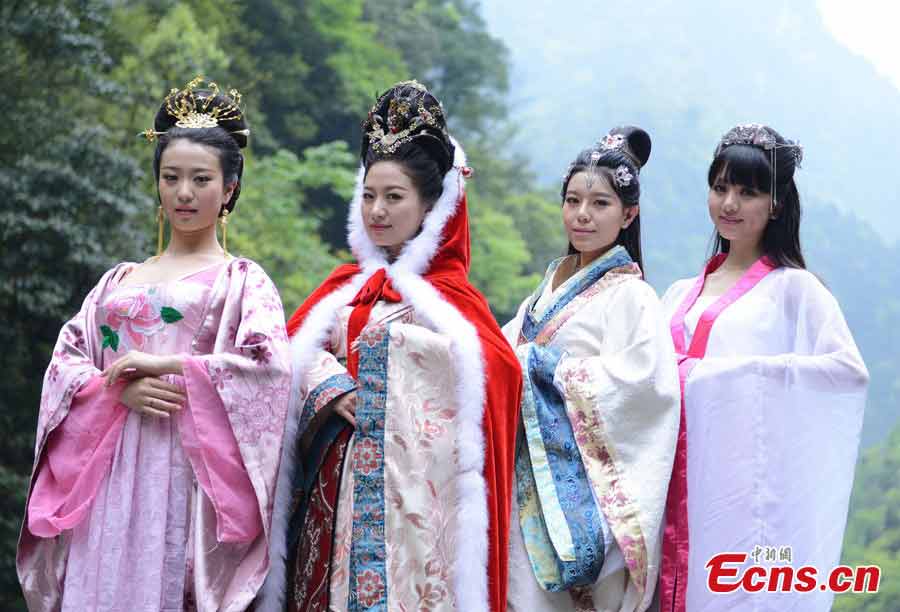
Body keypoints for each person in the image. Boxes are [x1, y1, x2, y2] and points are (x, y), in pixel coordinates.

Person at [17, 77, 291, 612]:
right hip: (105, 472)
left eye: (200, 179)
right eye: (171, 178)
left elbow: (269, 369)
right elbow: (64, 364)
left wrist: (168, 366)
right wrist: (114, 392)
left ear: (229, 187)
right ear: (158, 184)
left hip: (186, 477)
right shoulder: (116, 281)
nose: (184, 193)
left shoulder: (244, 281)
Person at [259, 80, 521, 612]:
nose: (378, 210)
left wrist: (384, 349)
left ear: (432, 205)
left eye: (394, 197)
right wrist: (330, 386)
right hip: (327, 499)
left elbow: (497, 376)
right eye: (369, 195)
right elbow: (278, 361)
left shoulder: (454, 305)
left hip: (414, 525)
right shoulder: (341, 289)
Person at [658, 123, 869, 611]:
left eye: (747, 192)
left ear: (774, 203)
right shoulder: (676, 294)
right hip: (666, 487)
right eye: (720, 188)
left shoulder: (797, 291)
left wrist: (730, 377)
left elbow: (844, 373)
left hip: (738, 497)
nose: (729, 204)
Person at [502, 127, 680, 612]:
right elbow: (501, 352)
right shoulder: (545, 289)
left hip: (578, 492)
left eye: (600, 204)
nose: (582, 214)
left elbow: (645, 387)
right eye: (573, 200)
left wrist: (544, 365)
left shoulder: (633, 297)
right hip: (524, 480)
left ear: (629, 214)